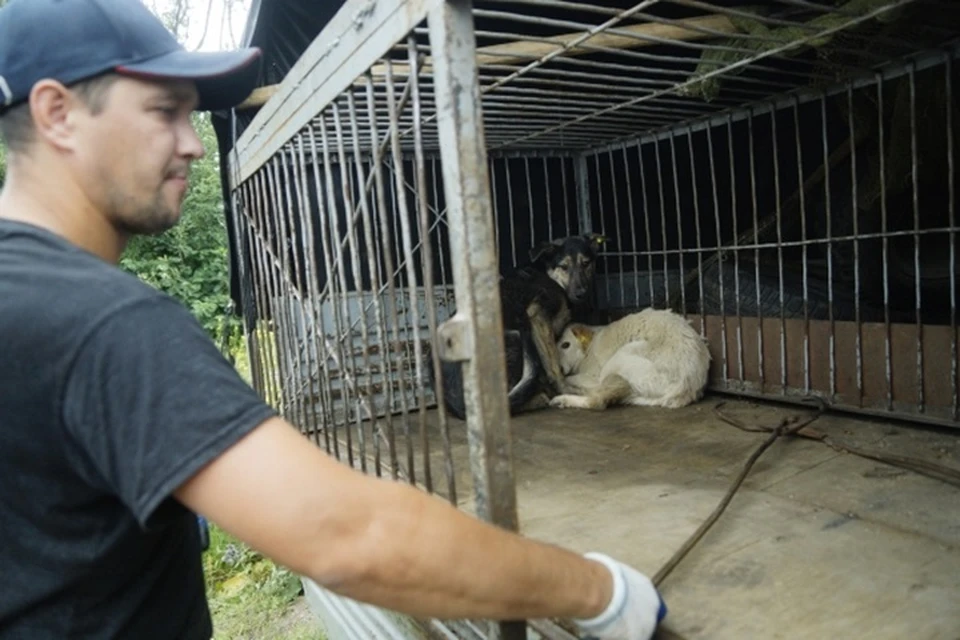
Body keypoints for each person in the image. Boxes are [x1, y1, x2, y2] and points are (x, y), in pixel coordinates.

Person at [0, 0, 668, 638]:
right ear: (57, 112)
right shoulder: (104, 325)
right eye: (163, 111)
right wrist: (600, 592)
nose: (194, 144)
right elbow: (351, 537)